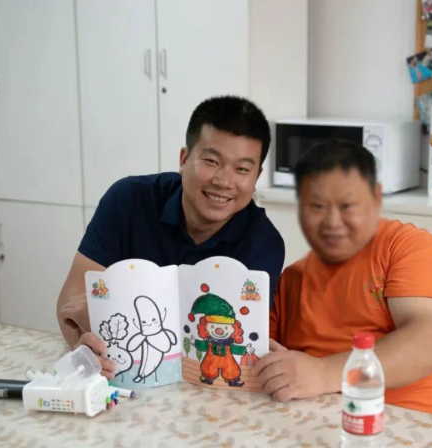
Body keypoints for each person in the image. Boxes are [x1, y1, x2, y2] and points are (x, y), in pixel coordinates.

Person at [257, 140, 432, 428]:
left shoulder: (409, 247)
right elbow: (258, 361)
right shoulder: (290, 281)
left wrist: (322, 373)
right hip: (345, 429)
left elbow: (428, 343)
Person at [57, 95, 285, 378]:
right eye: (211, 161)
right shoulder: (127, 200)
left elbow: (228, 336)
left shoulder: (264, 243)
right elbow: (72, 304)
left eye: (242, 169)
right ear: (184, 159)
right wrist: (84, 350)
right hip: (121, 377)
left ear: (256, 176)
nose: (224, 181)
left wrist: (108, 310)